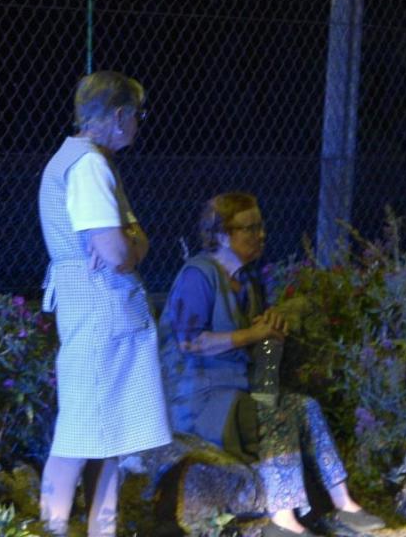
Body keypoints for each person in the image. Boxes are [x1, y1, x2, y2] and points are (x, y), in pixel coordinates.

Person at [161, 192, 385, 537]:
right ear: (221, 235)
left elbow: (256, 350)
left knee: (304, 406)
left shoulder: (248, 280)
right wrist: (252, 334)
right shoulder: (198, 276)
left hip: (239, 394)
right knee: (276, 413)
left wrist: (270, 339)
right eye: (248, 228)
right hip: (199, 402)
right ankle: (283, 518)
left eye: (261, 227)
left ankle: (343, 503)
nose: (260, 235)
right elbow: (189, 341)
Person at [37, 70, 172, 537]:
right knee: (79, 431)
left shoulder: (83, 160)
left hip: (97, 305)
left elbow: (134, 241)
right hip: (100, 308)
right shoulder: (90, 166)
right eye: (138, 113)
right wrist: (129, 245)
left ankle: (101, 529)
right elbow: (118, 252)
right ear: (119, 115)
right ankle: (54, 529)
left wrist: (129, 242)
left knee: (106, 429)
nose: (139, 122)